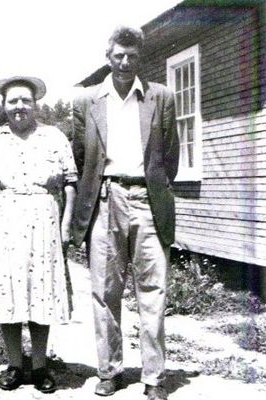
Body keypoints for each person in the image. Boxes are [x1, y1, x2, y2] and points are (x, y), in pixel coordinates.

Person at [72, 26, 179, 400]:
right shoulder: (87, 101)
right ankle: (109, 371)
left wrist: (153, 190)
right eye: (118, 55)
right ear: (108, 57)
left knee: (153, 289)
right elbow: (81, 157)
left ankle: (154, 378)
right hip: (105, 197)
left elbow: (170, 157)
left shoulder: (161, 97)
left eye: (132, 56)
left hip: (148, 200)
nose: (124, 62)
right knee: (105, 290)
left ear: (140, 58)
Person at [0, 76, 77, 393]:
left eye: (25, 100)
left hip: (44, 222)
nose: (19, 107)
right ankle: (15, 366)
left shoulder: (54, 137)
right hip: (1, 221)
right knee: (7, 293)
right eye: (12, 101)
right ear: (4, 105)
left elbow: (70, 183)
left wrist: (66, 225)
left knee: (42, 293)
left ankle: (41, 367)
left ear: (35, 104)